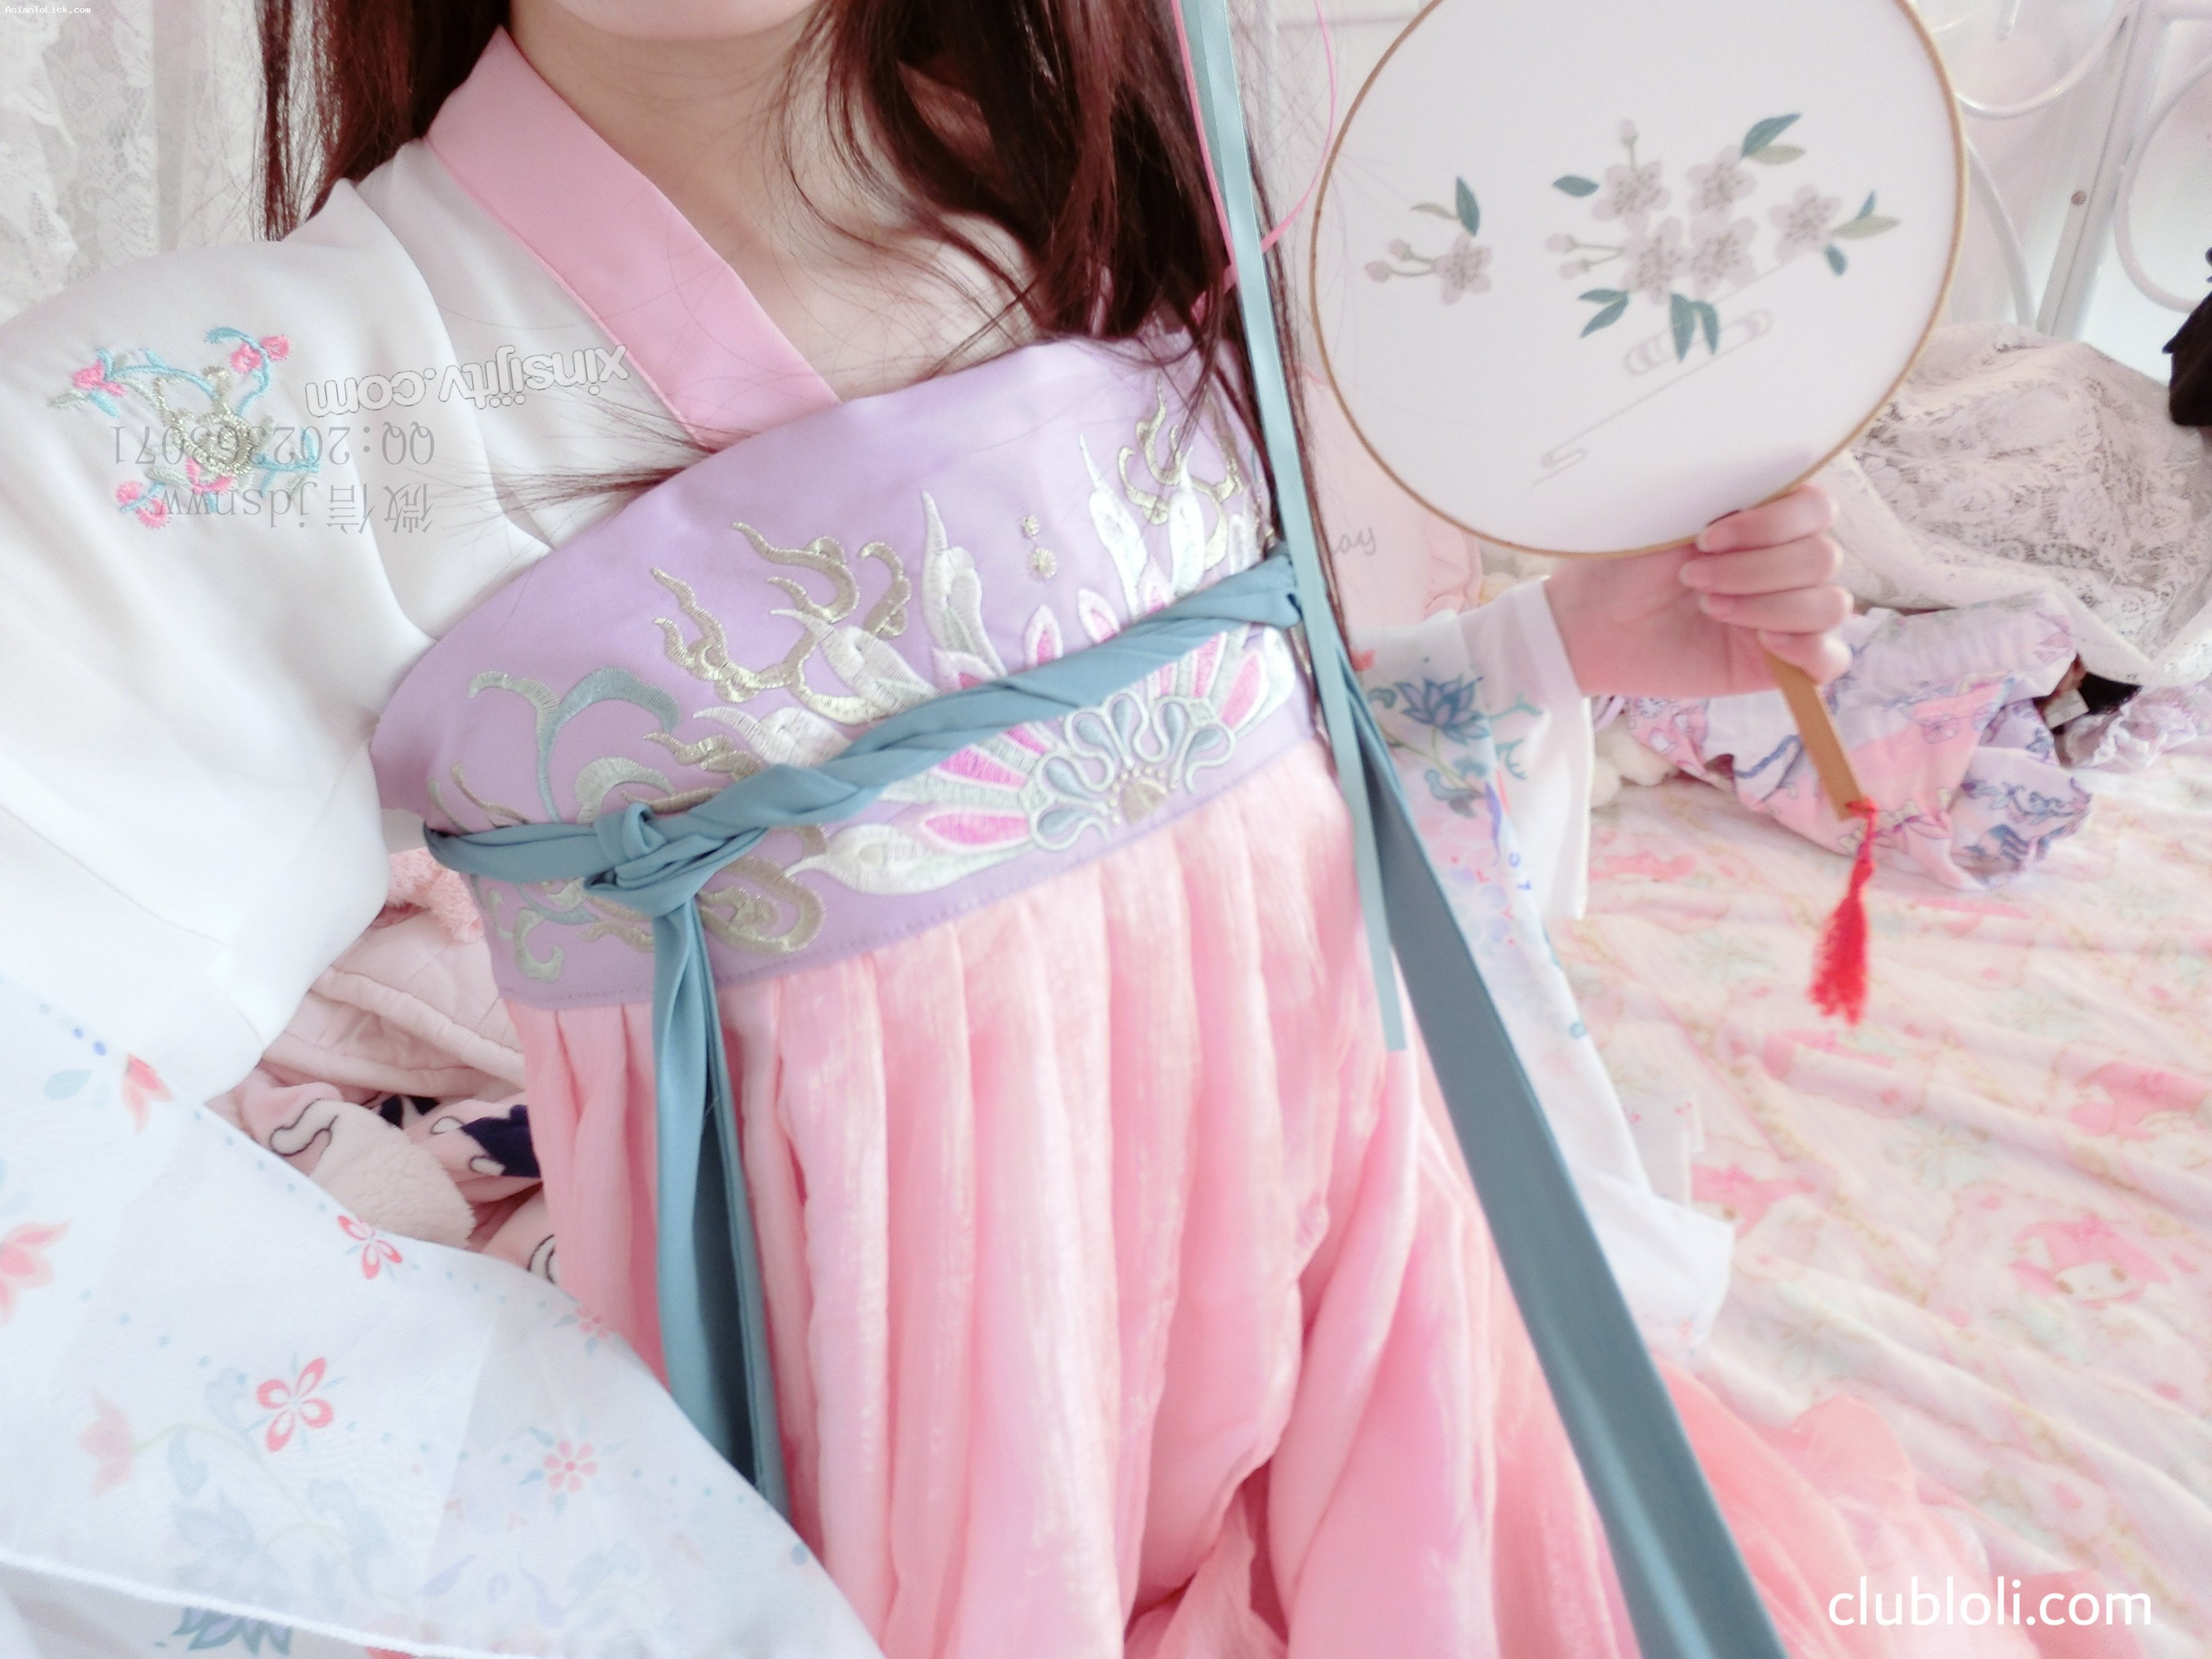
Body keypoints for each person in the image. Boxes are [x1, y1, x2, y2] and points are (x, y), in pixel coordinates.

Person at [0, 3, 2049, 1655]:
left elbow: (1218, 783)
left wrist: (1553, 649)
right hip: (921, 1521)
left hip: (1381, 1371)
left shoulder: (1098, 182)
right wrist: (517, 1494)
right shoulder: (261, 401)